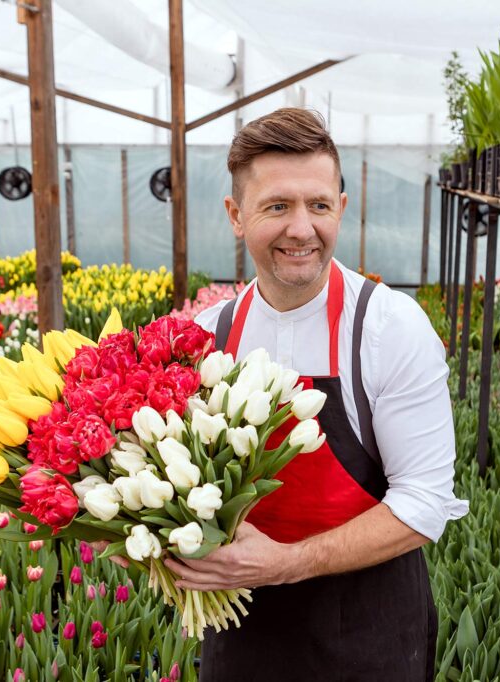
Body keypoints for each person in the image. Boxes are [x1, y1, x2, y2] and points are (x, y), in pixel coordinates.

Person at [172, 107, 468, 680]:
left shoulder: (388, 329)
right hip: (240, 629)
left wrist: (287, 563)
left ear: (343, 209)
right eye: (277, 206)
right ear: (236, 215)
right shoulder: (205, 340)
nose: (302, 229)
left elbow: (424, 503)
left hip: (368, 629)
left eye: (319, 205)